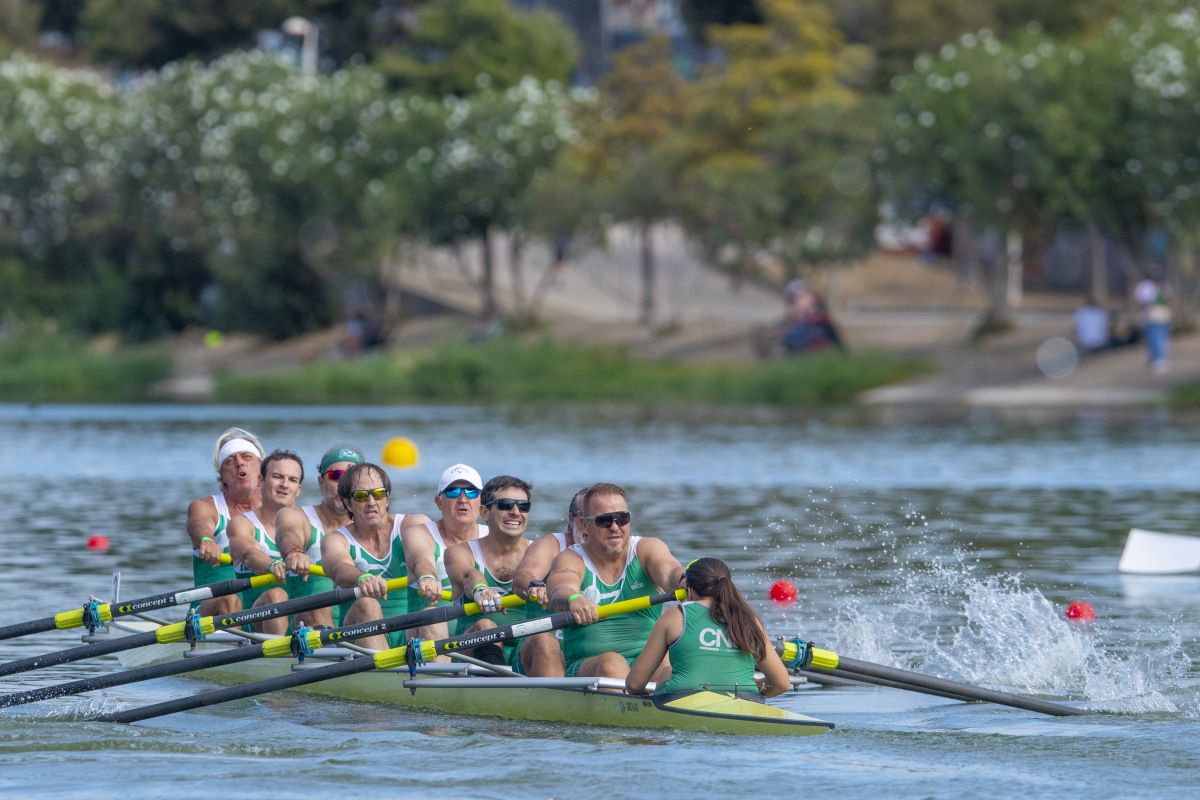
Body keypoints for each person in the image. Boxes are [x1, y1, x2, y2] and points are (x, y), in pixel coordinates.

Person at [547, 482, 684, 680]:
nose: (615, 527)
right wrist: (575, 599)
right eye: (604, 521)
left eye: (622, 519)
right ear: (585, 525)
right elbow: (560, 587)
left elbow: (671, 572)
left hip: (647, 662)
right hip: (589, 667)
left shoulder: (648, 549)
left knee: (673, 664)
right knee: (611, 663)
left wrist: (686, 580)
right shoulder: (571, 558)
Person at [625, 558, 791, 699]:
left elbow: (634, 684)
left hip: (681, 700)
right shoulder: (750, 619)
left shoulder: (674, 616)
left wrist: (647, 704)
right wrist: (755, 688)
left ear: (689, 591)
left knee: (667, 672)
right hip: (743, 700)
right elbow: (781, 684)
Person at [443, 475, 537, 666]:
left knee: (543, 640)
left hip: (525, 652)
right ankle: (497, 686)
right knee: (486, 626)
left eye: (523, 506)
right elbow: (469, 575)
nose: (515, 512)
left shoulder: (539, 553)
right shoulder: (459, 552)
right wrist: (480, 589)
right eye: (505, 505)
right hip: (471, 653)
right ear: (485, 512)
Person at [319, 463, 408, 650]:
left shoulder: (413, 526)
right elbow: (339, 567)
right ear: (348, 503)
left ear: (388, 498)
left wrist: (426, 574)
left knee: (432, 614)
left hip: (411, 630)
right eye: (361, 496)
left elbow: (422, 557)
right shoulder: (335, 539)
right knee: (367, 605)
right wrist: (361, 577)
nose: (371, 502)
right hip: (358, 633)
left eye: (378, 494)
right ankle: (381, 675)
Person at [276, 444, 365, 629]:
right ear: (321, 481)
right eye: (335, 476)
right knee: (318, 606)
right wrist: (294, 552)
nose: (343, 485)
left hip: (359, 626)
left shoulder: (376, 528)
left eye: (352, 477)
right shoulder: (296, 516)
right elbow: (289, 533)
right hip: (307, 631)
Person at [399, 464, 489, 646]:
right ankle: (444, 670)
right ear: (438, 502)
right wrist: (427, 576)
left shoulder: (491, 536)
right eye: (454, 492)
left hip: (475, 633)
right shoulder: (420, 533)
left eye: (471, 492)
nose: (463, 499)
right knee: (432, 617)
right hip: (422, 634)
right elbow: (421, 559)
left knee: (485, 625)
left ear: (481, 503)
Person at [186, 427, 265, 616]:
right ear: (222, 476)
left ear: (261, 468)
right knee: (231, 600)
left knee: (278, 597)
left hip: (259, 609)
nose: (239, 464)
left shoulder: (280, 513)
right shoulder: (206, 507)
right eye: (230, 461)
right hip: (210, 610)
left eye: (246, 457)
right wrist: (206, 540)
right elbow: (199, 525)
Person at [510, 488, 587, 676]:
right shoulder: (551, 545)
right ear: (571, 519)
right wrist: (535, 585)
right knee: (544, 641)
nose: (591, 526)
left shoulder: (622, 550)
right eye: (584, 519)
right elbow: (523, 576)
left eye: (602, 520)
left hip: (589, 652)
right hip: (541, 647)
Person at [226, 450, 304, 635]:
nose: (285, 485)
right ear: (261, 481)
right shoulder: (242, 523)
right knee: (276, 595)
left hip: (303, 622)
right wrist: (273, 565)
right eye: (277, 477)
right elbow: (248, 553)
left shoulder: (310, 525)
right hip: (254, 624)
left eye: (292, 480)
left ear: (298, 490)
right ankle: (279, 660)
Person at [1136, 277, 1171, 374]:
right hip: (1158, 316)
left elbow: (1144, 302)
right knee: (1156, 338)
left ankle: (1159, 359)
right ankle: (1157, 358)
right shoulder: (1159, 287)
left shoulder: (1148, 287)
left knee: (1156, 338)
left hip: (1155, 317)